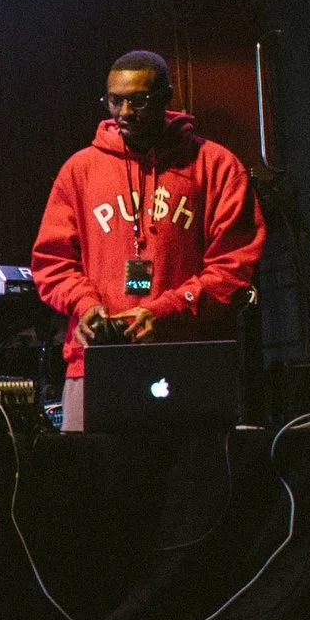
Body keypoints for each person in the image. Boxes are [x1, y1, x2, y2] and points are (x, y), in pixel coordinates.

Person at [30, 49, 264, 433]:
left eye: (138, 101)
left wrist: (168, 311)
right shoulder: (79, 171)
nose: (124, 112)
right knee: (94, 471)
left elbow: (234, 265)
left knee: (192, 472)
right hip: (97, 361)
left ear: (166, 97)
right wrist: (85, 305)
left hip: (189, 359)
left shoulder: (216, 166)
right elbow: (52, 261)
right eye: (114, 101)